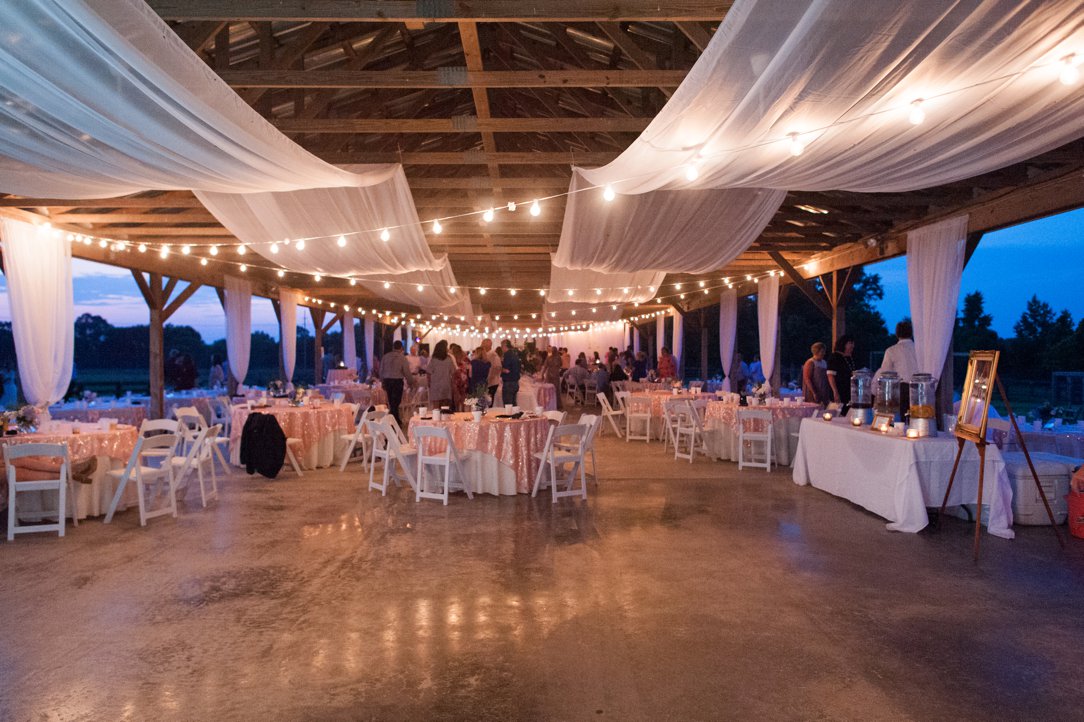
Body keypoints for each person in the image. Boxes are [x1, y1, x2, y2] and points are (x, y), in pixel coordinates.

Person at [876, 320, 919, 415]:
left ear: (897, 334)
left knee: (901, 419)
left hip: (901, 389)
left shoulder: (891, 351)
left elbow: (885, 373)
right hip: (918, 388)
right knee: (916, 417)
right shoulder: (919, 349)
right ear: (912, 333)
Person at [379, 340, 414, 427]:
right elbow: (406, 372)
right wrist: (411, 382)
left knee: (391, 402)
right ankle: (394, 422)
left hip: (387, 381)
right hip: (397, 382)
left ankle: (395, 420)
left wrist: (382, 381)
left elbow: (381, 371)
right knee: (396, 402)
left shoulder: (385, 356)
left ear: (393, 347)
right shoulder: (402, 358)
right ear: (401, 348)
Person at [826, 335, 856, 405]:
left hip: (850, 392)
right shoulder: (835, 357)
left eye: (853, 343)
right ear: (843, 344)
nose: (853, 346)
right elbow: (830, 376)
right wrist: (835, 392)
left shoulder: (851, 357)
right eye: (850, 343)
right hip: (839, 390)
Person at [426, 340, 456, 410]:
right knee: (445, 407)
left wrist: (429, 383)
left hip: (435, 385)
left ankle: (436, 420)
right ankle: (445, 420)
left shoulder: (434, 360)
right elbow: (453, 372)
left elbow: (428, 372)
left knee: (436, 408)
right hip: (446, 384)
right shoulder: (449, 359)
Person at [500, 339, 521, 407]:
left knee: (508, 405)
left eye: (502, 346)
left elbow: (507, 370)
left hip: (509, 382)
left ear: (505, 346)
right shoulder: (515, 354)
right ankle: (515, 416)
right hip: (515, 382)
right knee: (513, 403)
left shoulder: (507, 355)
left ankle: (509, 417)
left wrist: (500, 369)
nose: (501, 348)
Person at [450, 343, 470, 410]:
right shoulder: (463, 356)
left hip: (456, 377)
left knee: (456, 396)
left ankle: (457, 410)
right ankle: (463, 410)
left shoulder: (452, 358)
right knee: (463, 396)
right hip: (463, 377)